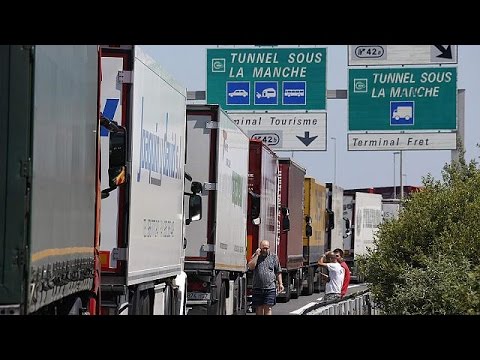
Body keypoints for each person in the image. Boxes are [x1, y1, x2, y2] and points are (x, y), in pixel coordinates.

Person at [247, 240, 284, 315]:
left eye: (267, 248)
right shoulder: (255, 256)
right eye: (264, 248)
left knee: (268, 307)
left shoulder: (274, 257)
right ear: (260, 248)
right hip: (257, 287)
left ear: (269, 248)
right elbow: (251, 267)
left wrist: (280, 283)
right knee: (259, 308)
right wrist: (257, 255)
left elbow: (278, 271)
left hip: (270, 288)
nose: (265, 250)